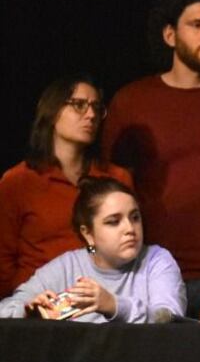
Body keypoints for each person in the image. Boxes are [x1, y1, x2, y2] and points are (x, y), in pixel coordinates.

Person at [102, 0, 200, 315]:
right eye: (196, 25)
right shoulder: (133, 100)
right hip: (151, 272)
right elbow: (111, 185)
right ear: (170, 36)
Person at [0, 75, 132, 298]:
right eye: (79, 105)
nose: (91, 115)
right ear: (52, 112)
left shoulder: (116, 178)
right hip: (37, 303)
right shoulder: (18, 181)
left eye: (97, 108)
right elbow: (3, 258)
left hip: (101, 302)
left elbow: (129, 247)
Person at [0, 178, 184, 322]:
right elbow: (6, 308)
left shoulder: (156, 260)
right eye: (114, 221)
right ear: (88, 234)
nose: (130, 228)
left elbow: (168, 319)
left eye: (135, 218)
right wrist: (26, 313)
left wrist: (113, 305)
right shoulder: (68, 266)